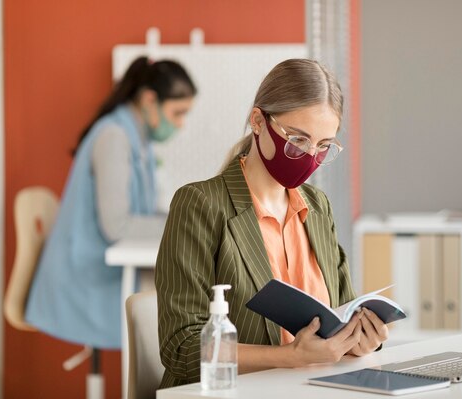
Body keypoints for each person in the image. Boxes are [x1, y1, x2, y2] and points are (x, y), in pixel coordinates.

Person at [155, 58, 388, 388]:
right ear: (258, 121)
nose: (310, 157)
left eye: (323, 147)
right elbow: (180, 348)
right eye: (297, 140)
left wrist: (361, 341)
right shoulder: (200, 204)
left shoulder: (317, 207)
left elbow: (342, 318)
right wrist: (291, 357)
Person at [25, 56, 197, 349]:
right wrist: (182, 222)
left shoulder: (137, 139)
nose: (180, 124)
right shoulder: (114, 136)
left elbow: (138, 213)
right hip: (84, 279)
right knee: (176, 308)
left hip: (99, 266)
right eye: (177, 112)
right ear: (149, 99)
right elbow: (117, 226)